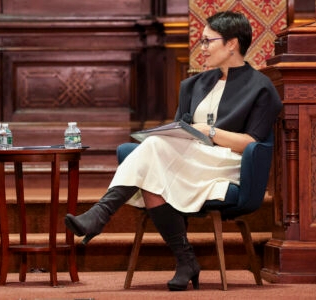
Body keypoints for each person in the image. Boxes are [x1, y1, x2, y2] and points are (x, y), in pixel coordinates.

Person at [65, 11, 282, 291]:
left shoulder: (261, 88)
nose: (201, 48)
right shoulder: (193, 85)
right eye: (201, 42)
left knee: (154, 152)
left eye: (208, 41)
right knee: (154, 168)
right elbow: (181, 130)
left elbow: (253, 143)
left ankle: (101, 213)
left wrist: (212, 133)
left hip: (228, 163)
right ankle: (185, 260)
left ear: (232, 44)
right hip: (190, 159)